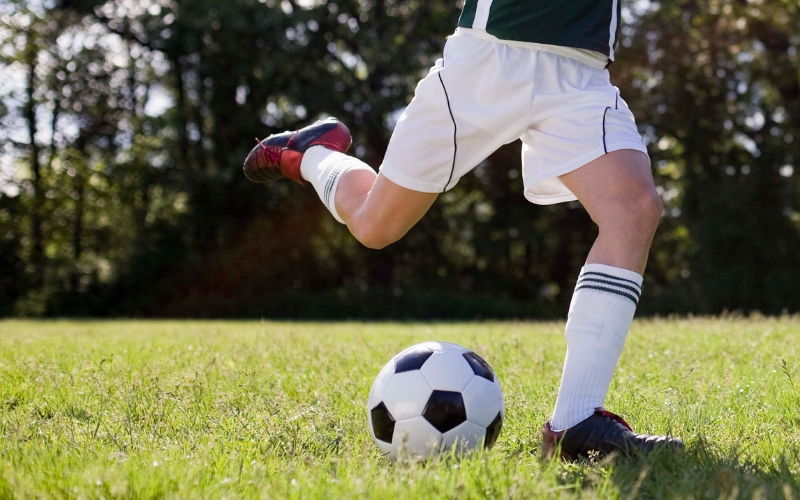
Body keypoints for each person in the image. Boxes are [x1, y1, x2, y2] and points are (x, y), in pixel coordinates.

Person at [243, 0, 684, 460]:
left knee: (633, 210)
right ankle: (312, 153)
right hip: (490, 57)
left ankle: (576, 423)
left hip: (581, 68)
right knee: (375, 225)